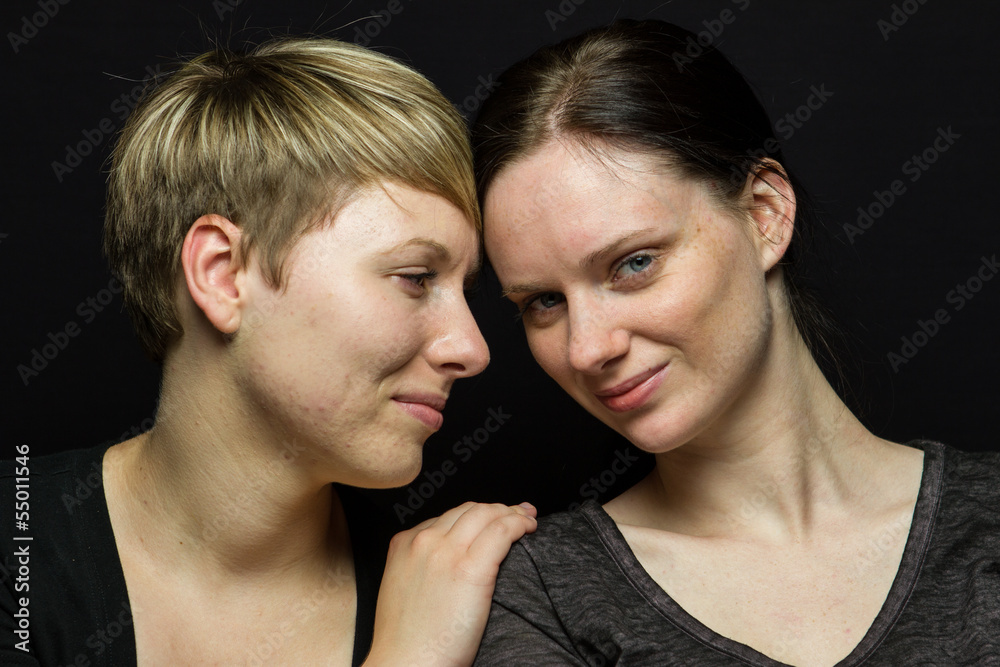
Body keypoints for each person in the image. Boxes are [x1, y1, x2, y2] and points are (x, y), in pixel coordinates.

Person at [472, 19, 999, 666]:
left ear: (764, 214)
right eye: (544, 302)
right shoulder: (541, 595)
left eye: (634, 263)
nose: (586, 349)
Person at [0, 37, 538, 666]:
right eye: (416, 278)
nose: (472, 349)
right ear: (223, 274)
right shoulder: (19, 546)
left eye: (465, 291)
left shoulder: (469, 599)